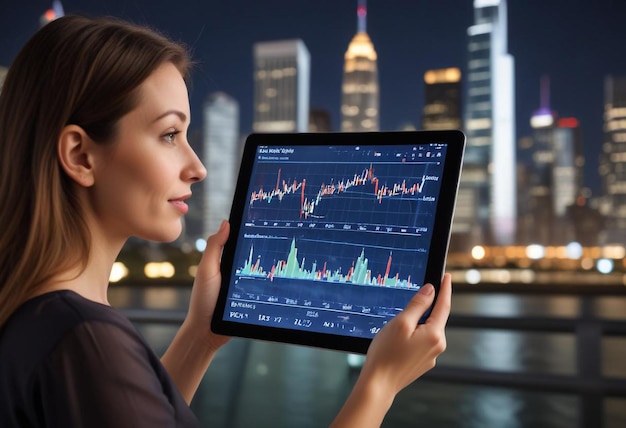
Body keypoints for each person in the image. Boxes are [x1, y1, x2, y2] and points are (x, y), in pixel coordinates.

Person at [0, 14, 452, 427]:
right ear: (80, 155)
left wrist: (200, 335)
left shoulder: (41, 317)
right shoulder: (86, 342)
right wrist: (379, 386)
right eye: (169, 134)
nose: (197, 167)